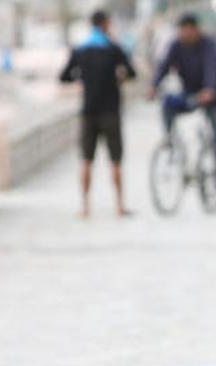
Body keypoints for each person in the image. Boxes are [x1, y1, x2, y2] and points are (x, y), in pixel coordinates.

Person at [149, 13, 216, 210]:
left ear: (196, 30)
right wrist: (154, 85)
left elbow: (212, 67)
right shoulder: (176, 46)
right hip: (192, 94)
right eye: (182, 31)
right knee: (168, 105)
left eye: (189, 30)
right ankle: (171, 143)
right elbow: (163, 67)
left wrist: (210, 89)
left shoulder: (208, 45)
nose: (185, 35)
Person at [59, 10, 136, 218]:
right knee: (116, 161)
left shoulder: (81, 50)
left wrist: (83, 78)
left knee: (86, 160)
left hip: (88, 112)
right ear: (105, 24)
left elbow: (64, 76)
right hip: (111, 111)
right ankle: (120, 206)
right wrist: (118, 76)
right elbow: (131, 72)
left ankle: (85, 207)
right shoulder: (114, 49)